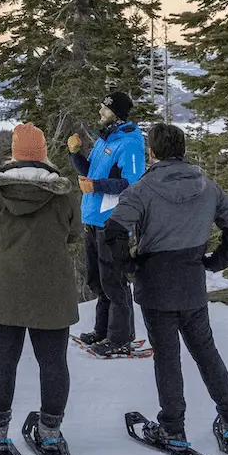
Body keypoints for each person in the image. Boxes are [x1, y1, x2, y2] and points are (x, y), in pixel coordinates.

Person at [104, 123, 228, 454]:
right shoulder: (206, 186)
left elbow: (113, 231)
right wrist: (217, 261)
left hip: (155, 285)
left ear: (152, 153)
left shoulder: (142, 190)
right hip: (191, 281)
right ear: (182, 150)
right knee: (205, 351)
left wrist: (129, 266)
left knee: (167, 358)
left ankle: (173, 428)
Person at [0, 123, 82, 455]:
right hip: (53, 290)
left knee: (3, 362)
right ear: (43, 152)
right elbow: (74, 232)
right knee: (53, 363)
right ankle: (48, 433)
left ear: (15, 152)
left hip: (3, 290)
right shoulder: (62, 195)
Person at [67, 89, 146, 357]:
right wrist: (75, 154)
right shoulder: (105, 139)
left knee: (114, 282)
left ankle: (120, 337)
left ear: (118, 113)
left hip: (112, 222)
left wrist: (97, 185)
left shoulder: (130, 143)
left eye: (105, 108)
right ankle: (103, 331)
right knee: (97, 281)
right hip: (92, 219)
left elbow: (132, 183)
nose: (100, 111)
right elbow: (90, 174)